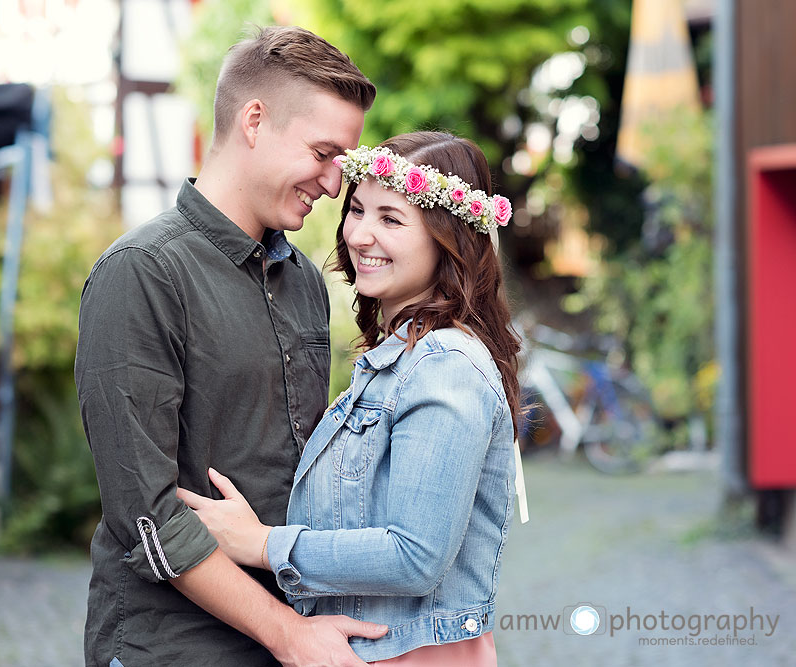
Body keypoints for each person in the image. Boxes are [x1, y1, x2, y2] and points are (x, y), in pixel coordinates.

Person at [75, 25, 387, 667]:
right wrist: (289, 634)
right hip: (172, 647)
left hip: (289, 637)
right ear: (254, 120)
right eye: (324, 153)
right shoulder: (141, 273)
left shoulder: (303, 280)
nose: (335, 184)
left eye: (344, 162)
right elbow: (147, 519)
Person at [179, 131, 524, 665]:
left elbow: (417, 557)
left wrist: (262, 543)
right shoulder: (399, 360)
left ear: (447, 238)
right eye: (357, 209)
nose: (361, 234)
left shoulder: (444, 367)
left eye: (391, 219)